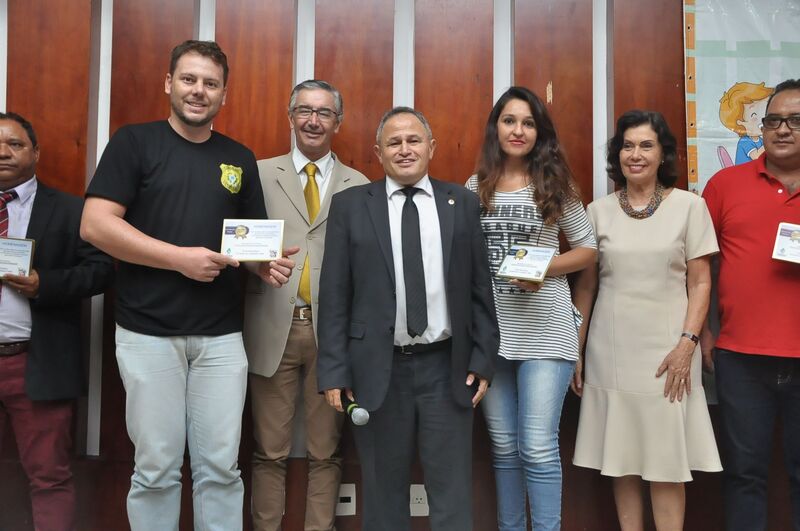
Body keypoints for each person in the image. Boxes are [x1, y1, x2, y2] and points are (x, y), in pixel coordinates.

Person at [80, 40, 296, 531]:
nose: (199, 90)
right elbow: (95, 225)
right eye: (189, 79)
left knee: (221, 470)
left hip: (221, 338)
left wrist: (263, 265)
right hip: (147, 333)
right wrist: (179, 259)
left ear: (224, 94)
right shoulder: (134, 143)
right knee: (156, 470)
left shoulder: (239, 157)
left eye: (210, 83)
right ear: (169, 83)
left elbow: (245, 242)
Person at [316, 107, 498, 531]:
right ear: (377, 152)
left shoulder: (462, 203)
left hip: (447, 369)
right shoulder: (350, 206)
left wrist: (483, 360)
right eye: (393, 142)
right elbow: (335, 295)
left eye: (413, 140)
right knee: (383, 497)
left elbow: (480, 289)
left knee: (452, 495)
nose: (404, 149)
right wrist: (334, 371)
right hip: (377, 370)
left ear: (431, 147)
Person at [572, 110, 722, 531]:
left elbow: (701, 282)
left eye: (646, 146)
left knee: (666, 460)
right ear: (617, 154)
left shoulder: (690, 207)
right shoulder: (597, 211)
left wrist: (687, 344)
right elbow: (586, 288)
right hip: (611, 351)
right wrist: (576, 349)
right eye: (627, 146)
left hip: (671, 351)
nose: (635, 154)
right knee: (621, 459)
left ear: (662, 155)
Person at [465, 86, 597, 531]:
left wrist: (544, 268)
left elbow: (588, 249)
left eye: (528, 123)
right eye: (509, 121)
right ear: (496, 128)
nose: (518, 130)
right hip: (492, 335)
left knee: (537, 448)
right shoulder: (475, 186)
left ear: (539, 132)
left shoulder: (556, 184)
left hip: (546, 331)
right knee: (504, 447)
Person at [242, 79, 368, 531]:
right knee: (268, 450)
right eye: (304, 111)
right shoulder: (259, 173)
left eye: (324, 112)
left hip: (332, 335)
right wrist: (255, 262)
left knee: (326, 450)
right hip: (271, 326)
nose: (313, 121)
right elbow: (237, 243)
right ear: (290, 117)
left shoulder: (360, 184)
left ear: (339, 122)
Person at [0, 112, 112, 531]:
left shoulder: (70, 210)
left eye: (14, 144)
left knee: (49, 477)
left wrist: (44, 284)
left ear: (36, 153)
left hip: (36, 361)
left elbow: (101, 271)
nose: (3, 152)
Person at [701, 79, 800, 531]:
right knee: (744, 475)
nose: (783, 129)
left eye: (795, 120)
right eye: (774, 120)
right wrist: (702, 330)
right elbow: (698, 267)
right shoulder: (725, 185)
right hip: (740, 357)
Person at [718, 81, 773, 164]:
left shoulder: (760, 140)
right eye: (754, 116)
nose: (762, 120)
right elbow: (756, 157)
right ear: (740, 122)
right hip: (744, 172)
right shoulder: (745, 141)